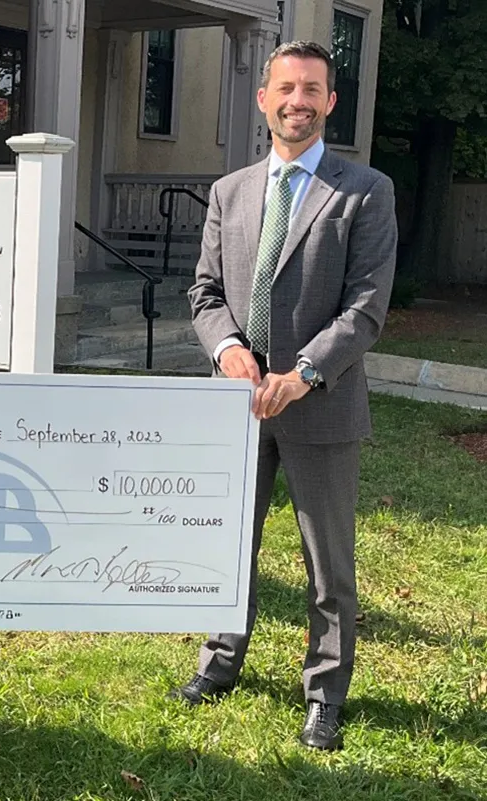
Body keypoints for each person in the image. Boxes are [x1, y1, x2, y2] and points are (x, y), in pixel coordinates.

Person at [176, 41, 397, 750]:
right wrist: (228, 348)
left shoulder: (364, 192)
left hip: (319, 401)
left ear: (330, 103)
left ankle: (325, 693)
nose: (298, 101)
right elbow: (205, 293)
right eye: (286, 88)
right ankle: (219, 661)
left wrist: (301, 372)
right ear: (264, 98)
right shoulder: (230, 192)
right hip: (235, 404)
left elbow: (365, 309)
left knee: (327, 563)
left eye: (313, 90)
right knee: (227, 544)